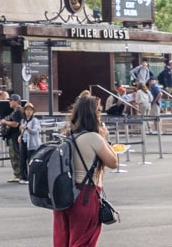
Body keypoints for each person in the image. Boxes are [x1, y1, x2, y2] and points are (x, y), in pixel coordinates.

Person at [53, 93, 118, 247]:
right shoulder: (93, 138)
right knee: (84, 241)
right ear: (94, 115)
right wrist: (104, 138)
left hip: (64, 195)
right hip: (85, 195)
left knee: (62, 241)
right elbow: (113, 162)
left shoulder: (69, 136)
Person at [0, 96, 25, 182]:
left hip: (16, 136)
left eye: (11, 100)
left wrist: (5, 122)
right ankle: (17, 174)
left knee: (16, 155)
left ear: (17, 101)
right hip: (13, 136)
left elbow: (15, 124)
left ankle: (19, 174)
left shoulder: (18, 111)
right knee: (14, 155)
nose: (9, 102)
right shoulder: (15, 111)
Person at [20, 102, 42, 182]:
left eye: (30, 110)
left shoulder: (35, 120)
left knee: (31, 161)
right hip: (24, 142)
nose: (28, 111)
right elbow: (22, 131)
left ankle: (31, 178)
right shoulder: (23, 120)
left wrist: (26, 128)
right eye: (27, 110)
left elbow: (34, 131)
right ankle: (24, 177)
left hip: (32, 144)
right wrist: (20, 136)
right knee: (22, 161)